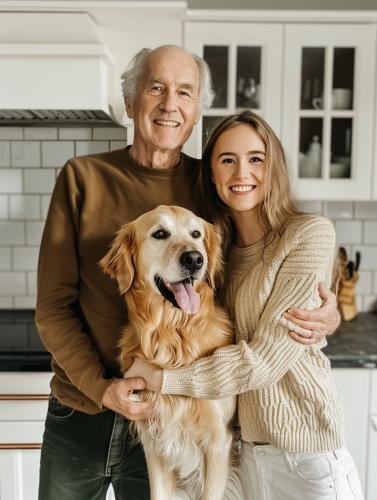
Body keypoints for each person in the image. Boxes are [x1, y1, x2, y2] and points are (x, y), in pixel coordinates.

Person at [36, 46, 340, 500]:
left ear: (197, 112)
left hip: (182, 412)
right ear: (130, 101)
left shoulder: (215, 184)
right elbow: (52, 306)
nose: (169, 104)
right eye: (155, 88)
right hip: (83, 408)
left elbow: (248, 274)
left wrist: (322, 316)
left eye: (185, 92)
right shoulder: (83, 177)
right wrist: (104, 389)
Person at [126, 111, 363, 500]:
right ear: (212, 175)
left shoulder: (309, 234)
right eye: (227, 160)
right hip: (245, 461)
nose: (242, 173)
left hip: (307, 458)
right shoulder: (213, 254)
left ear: (274, 168)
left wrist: (162, 380)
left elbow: (266, 360)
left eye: (256, 158)